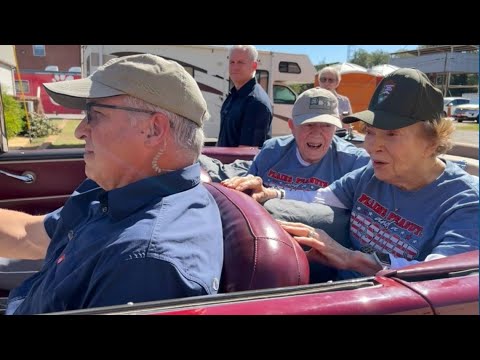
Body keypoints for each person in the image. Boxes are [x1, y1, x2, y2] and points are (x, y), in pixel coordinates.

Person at [0, 54, 224, 314]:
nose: (80, 130)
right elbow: (30, 234)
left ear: (153, 129)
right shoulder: (116, 188)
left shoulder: (144, 263)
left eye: (94, 115)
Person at [232, 68, 479, 280]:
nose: (372, 145)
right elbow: (318, 199)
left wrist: (352, 259)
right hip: (341, 293)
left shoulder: (465, 203)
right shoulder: (370, 175)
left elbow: (442, 278)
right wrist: (269, 192)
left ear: (432, 141)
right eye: (370, 131)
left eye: (391, 134)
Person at [222, 87, 370, 198]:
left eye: (326, 125)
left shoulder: (354, 162)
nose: (317, 132)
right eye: (308, 124)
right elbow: (248, 187)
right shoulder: (271, 151)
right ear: (292, 126)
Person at [217, 45, 273, 147]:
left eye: (240, 62)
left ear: (254, 66)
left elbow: (246, 156)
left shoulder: (256, 103)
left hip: (233, 163)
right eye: (232, 62)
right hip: (221, 162)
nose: (235, 67)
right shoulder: (233, 96)